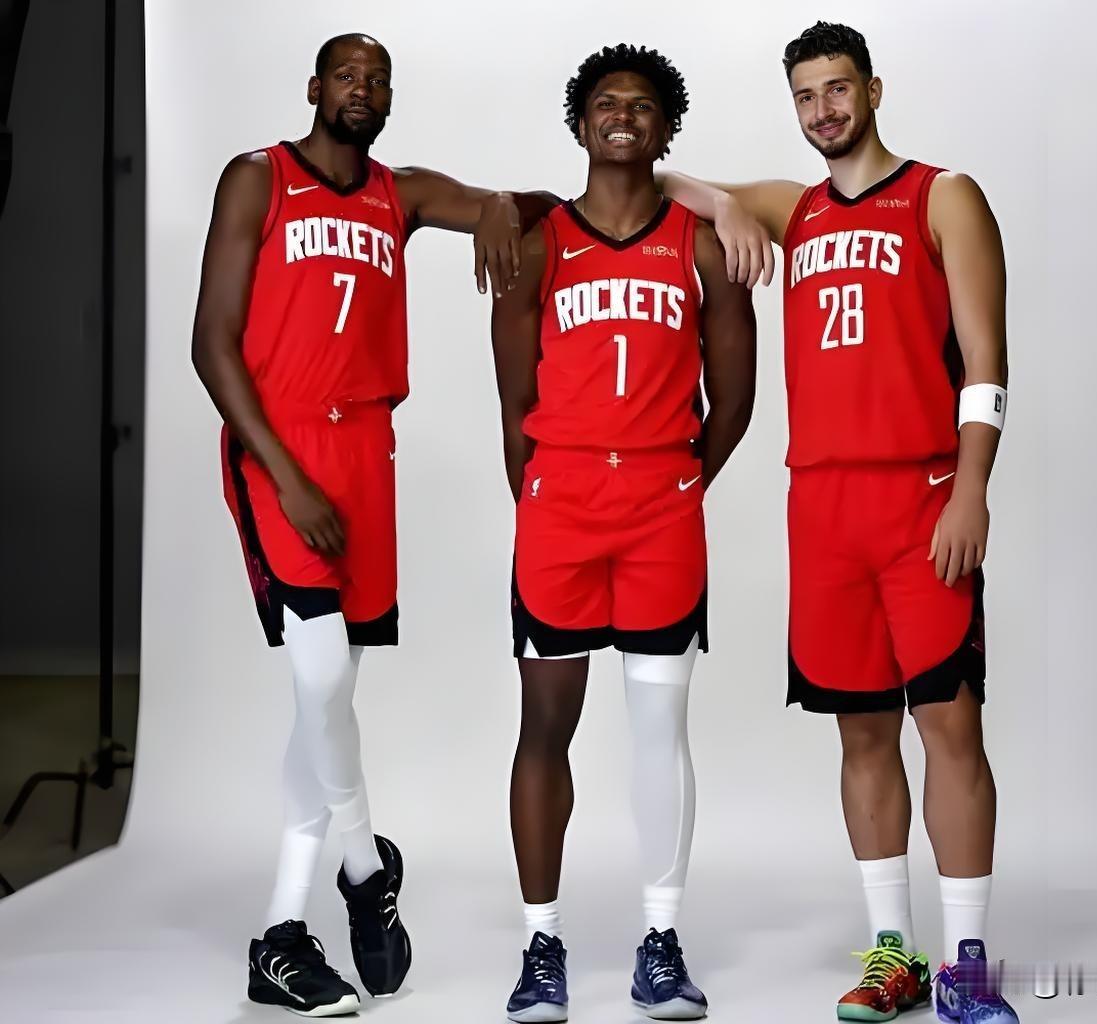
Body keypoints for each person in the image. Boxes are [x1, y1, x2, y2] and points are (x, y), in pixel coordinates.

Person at [191, 32, 555, 1017]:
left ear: (389, 99)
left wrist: (497, 204)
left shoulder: (401, 193)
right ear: (315, 87)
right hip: (282, 448)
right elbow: (211, 345)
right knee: (319, 683)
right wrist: (287, 479)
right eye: (347, 75)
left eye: (378, 79)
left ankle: (282, 931)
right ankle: (361, 870)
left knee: (328, 701)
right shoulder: (259, 178)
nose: (362, 88)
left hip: (365, 453)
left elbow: (531, 206)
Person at [661, 21, 1019, 1024]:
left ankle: (968, 968)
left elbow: (986, 361)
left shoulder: (942, 195)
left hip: (922, 499)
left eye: (838, 89)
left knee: (949, 725)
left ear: (873, 89)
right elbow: (668, 181)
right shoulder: (798, 207)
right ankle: (893, 956)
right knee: (862, 733)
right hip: (822, 511)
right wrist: (732, 208)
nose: (823, 110)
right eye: (806, 95)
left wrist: (973, 489)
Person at [490, 43, 757, 1023]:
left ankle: (660, 942)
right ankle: (541, 946)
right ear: (580, 123)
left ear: (666, 129)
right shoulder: (536, 242)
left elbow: (735, 397)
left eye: (643, 105)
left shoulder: (701, 244)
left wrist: (675, 479)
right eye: (606, 103)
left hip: (660, 512)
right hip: (560, 510)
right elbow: (513, 399)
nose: (623, 116)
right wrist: (546, 490)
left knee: (659, 731)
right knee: (544, 727)